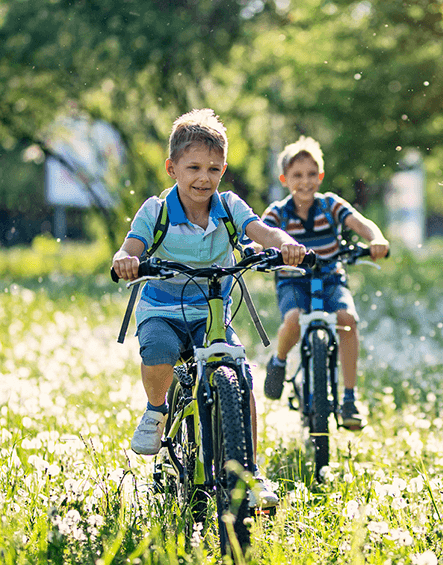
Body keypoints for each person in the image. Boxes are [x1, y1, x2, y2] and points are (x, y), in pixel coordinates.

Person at [111, 108, 308, 510]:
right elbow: (132, 245)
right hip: (162, 308)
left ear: (223, 171)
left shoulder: (229, 206)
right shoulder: (156, 210)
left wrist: (283, 244)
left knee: (239, 374)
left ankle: (249, 469)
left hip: (212, 309)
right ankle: (156, 409)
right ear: (172, 168)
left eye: (214, 169)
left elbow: (262, 231)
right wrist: (125, 258)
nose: (204, 178)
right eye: (194, 167)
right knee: (159, 352)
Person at [260, 137, 389, 429]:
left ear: (320, 176)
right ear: (284, 179)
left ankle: (349, 396)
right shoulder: (278, 212)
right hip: (293, 281)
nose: (305, 182)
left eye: (310, 174)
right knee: (293, 319)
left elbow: (359, 222)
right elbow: (259, 234)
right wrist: (256, 251)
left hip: (330, 278)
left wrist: (376, 239)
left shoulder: (330, 205)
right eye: (297, 175)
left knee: (347, 320)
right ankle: (279, 361)